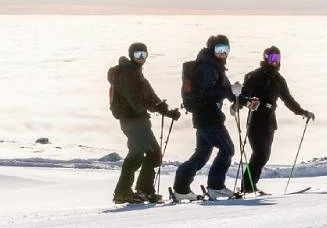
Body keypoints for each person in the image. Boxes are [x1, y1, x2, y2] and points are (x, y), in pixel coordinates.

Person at [108, 42, 181, 204]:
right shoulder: (129, 74)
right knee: (153, 154)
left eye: (144, 55)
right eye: (137, 55)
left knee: (136, 155)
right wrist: (157, 108)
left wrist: (167, 112)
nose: (141, 58)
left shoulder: (136, 73)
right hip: (133, 121)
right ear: (131, 55)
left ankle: (126, 192)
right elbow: (136, 102)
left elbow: (151, 97)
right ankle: (140, 191)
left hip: (134, 121)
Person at [236, 46, 315, 195]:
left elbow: (288, 100)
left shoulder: (278, 80)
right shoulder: (255, 76)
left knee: (264, 155)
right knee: (259, 153)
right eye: (272, 58)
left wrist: (302, 112)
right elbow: (244, 95)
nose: (275, 61)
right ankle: (247, 187)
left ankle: (249, 186)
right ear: (266, 58)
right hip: (255, 120)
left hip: (270, 122)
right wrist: (242, 103)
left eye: (277, 58)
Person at [171, 35, 240, 201]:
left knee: (201, 155)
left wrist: (239, 97)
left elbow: (226, 89)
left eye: (226, 50)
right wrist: (228, 92)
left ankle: (181, 188)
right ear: (211, 50)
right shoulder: (207, 68)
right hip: (209, 116)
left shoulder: (215, 66)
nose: (222, 53)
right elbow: (207, 92)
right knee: (227, 149)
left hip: (203, 116)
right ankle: (216, 187)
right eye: (219, 50)